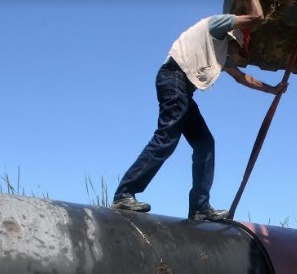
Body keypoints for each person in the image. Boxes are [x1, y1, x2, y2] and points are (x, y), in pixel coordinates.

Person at [111, 0, 286, 220]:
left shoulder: (221, 53)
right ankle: (124, 194)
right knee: (167, 138)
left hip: (183, 89)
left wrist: (274, 90)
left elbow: (242, 78)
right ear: (235, 38)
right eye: (238, 48)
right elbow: (257, 18)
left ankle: (199, 208)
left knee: (204, 143)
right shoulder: (218, 25)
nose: (237, 54)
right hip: (173, 78)